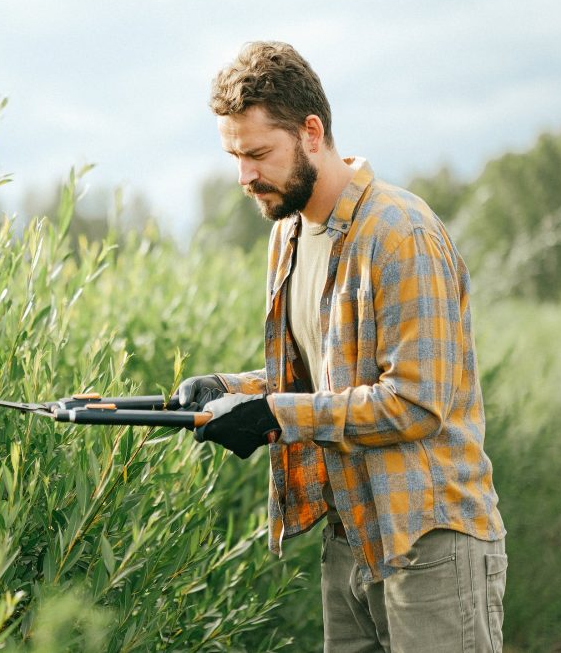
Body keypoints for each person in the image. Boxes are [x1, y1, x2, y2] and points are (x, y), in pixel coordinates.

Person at [177, 41, 507, 652]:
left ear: (310, 132)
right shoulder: (289, 235)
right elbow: (322, 378)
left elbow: (415, 402)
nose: (244, 176)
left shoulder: (400, 232)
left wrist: (276, 417)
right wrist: (232, 391)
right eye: (233, 156)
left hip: (429, 545)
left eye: (257, 154)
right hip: (348, 541)